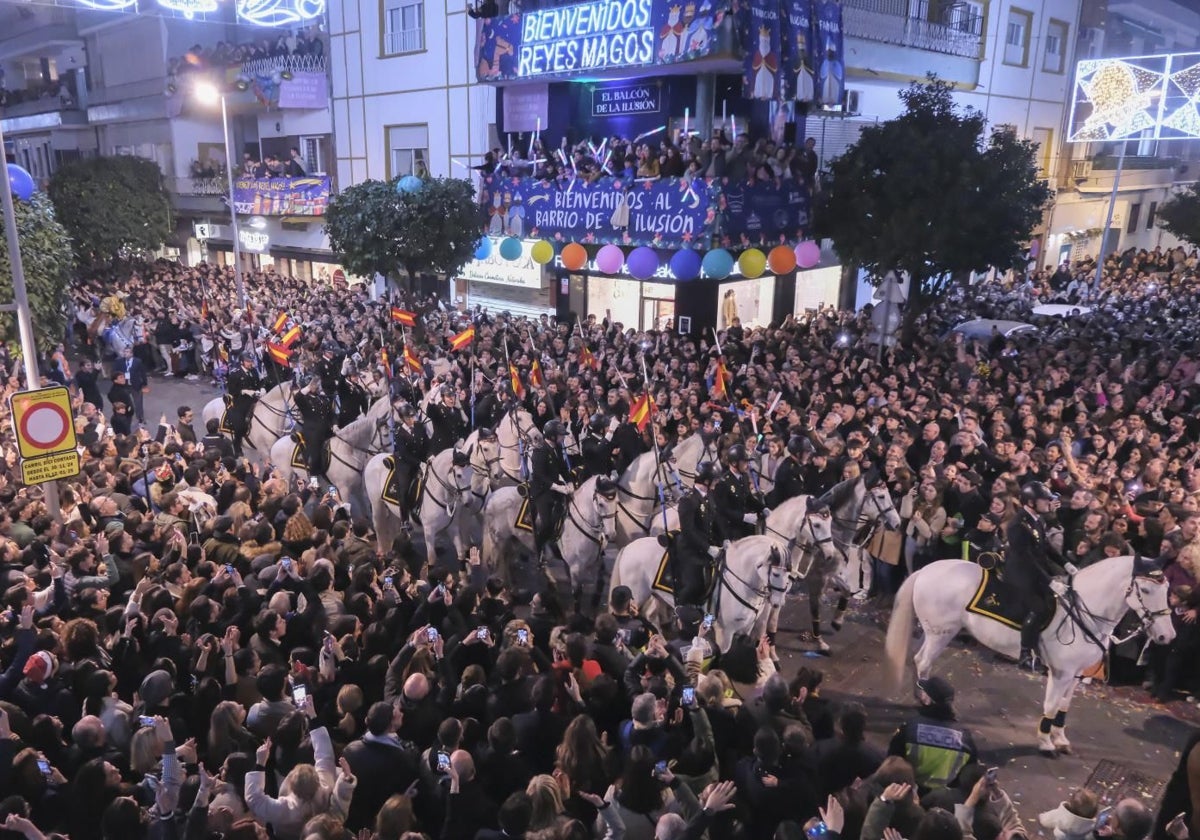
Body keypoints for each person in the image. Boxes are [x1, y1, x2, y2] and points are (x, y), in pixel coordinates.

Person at [1005, 481, 1076, 673]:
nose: (1048, 503)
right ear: (1030, 502)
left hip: (1035, 569)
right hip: (1019, 572)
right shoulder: (1018, 525)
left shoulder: (1037, 519)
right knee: (1039, 607)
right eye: (1044, 500)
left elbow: (1044, 547)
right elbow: (1026, 558)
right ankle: (1025, 654)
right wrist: (1049, 581)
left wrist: (1065, 564)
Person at [887, 676, 977, 792]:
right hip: (945, 795)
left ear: (929, 700)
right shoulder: (964, 737)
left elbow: (893, 760)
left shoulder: (910, 728)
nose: (921, 694)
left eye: (924, 692)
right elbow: (970, 770)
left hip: (909, 790)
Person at [673, 461, 720, 607]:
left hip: (707, 547)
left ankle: (709, 616)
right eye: (715, 479)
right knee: (695, 584)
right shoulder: (688, 500)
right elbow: (689, 532)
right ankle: (681, 612)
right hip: (691, 550)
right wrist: (708, 548)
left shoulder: (709, 496)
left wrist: (725, 540)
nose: (717, 482)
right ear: (706, 481)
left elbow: (715, 520)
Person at [530, 418, 574, 564]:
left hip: (556, 485)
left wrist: (570, 481)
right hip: (542, 491)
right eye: (560, 435)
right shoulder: (540, 450)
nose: (563, 437)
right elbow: (539, 475)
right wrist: (558, 487)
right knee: (547, 523)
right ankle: (538, 547)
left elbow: (562, 467)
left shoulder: (558, 448)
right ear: (552, 435)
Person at [713, 444, 766, 541]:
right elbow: (722, 510)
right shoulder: (723, 482)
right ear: (734, 463)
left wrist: (763, 508)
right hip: (731, 530)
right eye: (744, 462)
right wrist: (743, 517)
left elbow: (748, 498)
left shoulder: (744, 477)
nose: (747, 465)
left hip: (745, 527)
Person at [294, 376, 338, 484]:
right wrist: (308, 387)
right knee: (315, 458)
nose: (317, 387)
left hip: (327, 431)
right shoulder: (304, 399)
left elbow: (332, 414)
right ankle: (314, 484)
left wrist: (335, 424)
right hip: (313, 433)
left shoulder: (322, 398)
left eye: (317, 385)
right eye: (314, 385)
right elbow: (297, 397)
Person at [392, 403, 429, 525]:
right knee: (403, 490)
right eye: (409, 417)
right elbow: (404, 453)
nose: (413, 419)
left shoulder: (419, 427)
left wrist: (430, 456)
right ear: (403, 419)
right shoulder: (399, 433)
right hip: (405, 465)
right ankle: (405, 521)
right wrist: (419, 463)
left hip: (421, 461)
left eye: (413, 416)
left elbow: (427, 443)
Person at [226, 353, 265, 457]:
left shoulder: (254, 371)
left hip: (255, 398)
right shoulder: (235, 374)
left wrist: (262, 388)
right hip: (241, 401)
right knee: (240, 425)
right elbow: (232, 390)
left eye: (251, 361)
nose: (250, 363)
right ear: (242, 362)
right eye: (248, 361)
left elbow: (259, 382)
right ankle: (237, 445)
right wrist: (244, 391)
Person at [427, 381, 468, 453]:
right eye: (448, 396)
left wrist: (461, 439)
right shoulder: (438, 408)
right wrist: (431, 399)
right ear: (443, 398)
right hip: (441, 449)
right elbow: (430, 413)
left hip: (454, 448)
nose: (451, 399)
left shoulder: (456, 410)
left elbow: (462, 426)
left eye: (453, 396)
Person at [117, 346, 149, 424]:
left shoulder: (138, 361)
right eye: (125, 352)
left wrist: (144, 383)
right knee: (124, 402)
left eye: (127, 352)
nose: (125, 353)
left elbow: (142, 373)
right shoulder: (120, 361)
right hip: (124, 385)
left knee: (138, 403)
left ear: (132, 354)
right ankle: (124, 417)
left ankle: (140, 417)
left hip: (136, 385)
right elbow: (116, 372)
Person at [580, 413, 615, 482]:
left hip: (605, 476)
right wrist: (610, 434)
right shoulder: (588, 441)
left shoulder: (603, 440)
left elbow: (607, 458)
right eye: (607, 427)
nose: (608, 429)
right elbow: (598, 451)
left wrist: (613, 470)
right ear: (601, 430)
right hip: (591, 479)